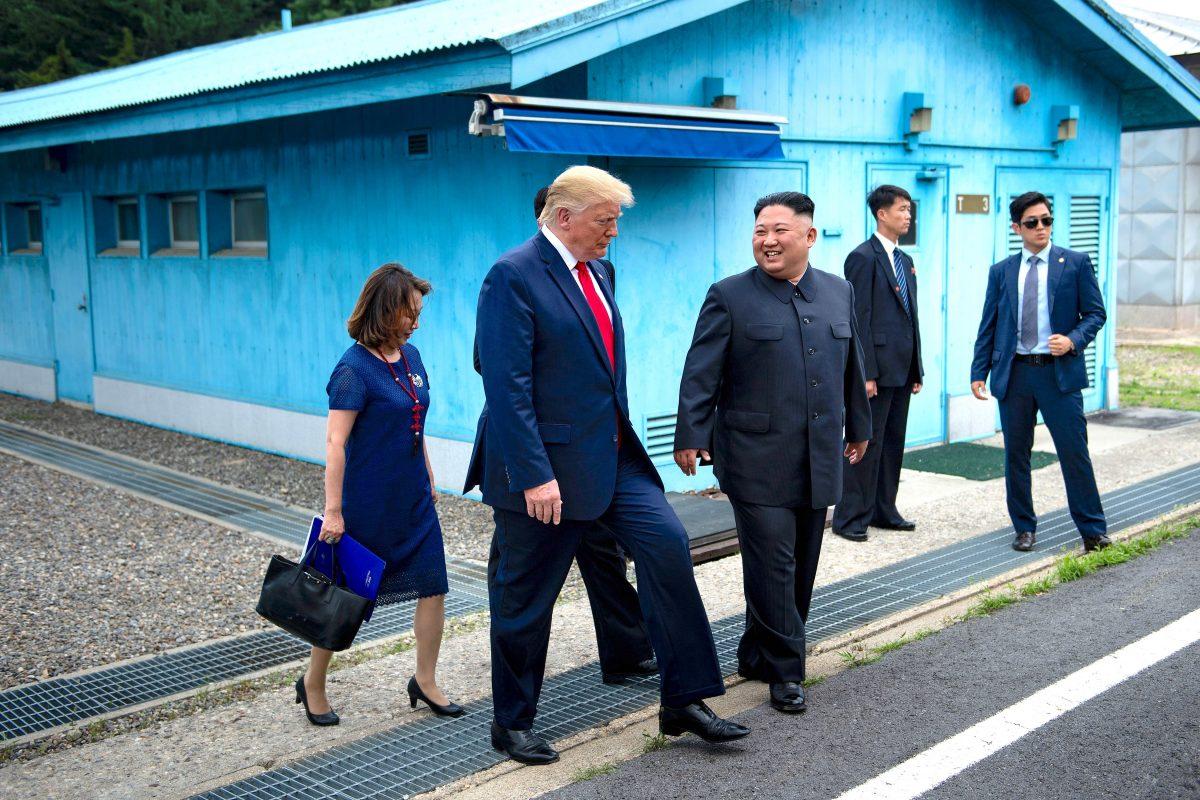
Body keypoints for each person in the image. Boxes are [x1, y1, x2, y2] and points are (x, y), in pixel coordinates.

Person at [465, 165, 748, 766]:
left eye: (617, 221)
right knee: (526, 598)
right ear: (563, 217)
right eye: (605, 220)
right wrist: (535, 474)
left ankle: (685, 699)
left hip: (612, 457)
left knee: (668, 546)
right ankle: (512, 722)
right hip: (544, 470)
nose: (613, 232)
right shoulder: (512, 276)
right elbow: (506, 388)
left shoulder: (601, 270)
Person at [674, 191, 871, 714]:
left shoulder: (838, 291)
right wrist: (691, 434)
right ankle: (787, 670)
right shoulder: (729, 295)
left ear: (808, 236)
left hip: (819, 454)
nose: (767, 240)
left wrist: (860, 426)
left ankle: (758, 652)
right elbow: (701, 372)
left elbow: (854, 364)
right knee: (773, 564)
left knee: (802, 561)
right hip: (753, 456)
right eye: (760, 230)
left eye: (779, 230)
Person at [298, 264, 463, 727]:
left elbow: (415, 418)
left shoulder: (412, 357)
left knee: (434, 587)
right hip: (368, 503)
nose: (416, 321)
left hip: (412, 499)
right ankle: (313, 682)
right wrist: (334, 512)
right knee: (345, 600)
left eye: (418, 312)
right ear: (386, 310)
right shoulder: (352, 370)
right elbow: (334, 443)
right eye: (410, 312)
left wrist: (428, 468)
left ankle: (425, 680)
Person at [970, 192, 1110, 553]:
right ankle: (1024, 527)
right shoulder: (1001, 271)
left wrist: (1074, 340)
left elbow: (1096, 313)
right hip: (1015, 374)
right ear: (1017, 227)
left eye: (1046, 220)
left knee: (1074, 452)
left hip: (1058, 373)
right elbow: (990, 323)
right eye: (1032, 222)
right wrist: (979, 370)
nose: (1041, 228)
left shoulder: (1076, 263)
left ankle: (1093, 531)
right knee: (1017, 454)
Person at [833, 185, 924, 542]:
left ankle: (884, 509)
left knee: (893, 443)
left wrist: (916, 368)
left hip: (902, 369)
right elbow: (858, 318)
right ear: (882, 213)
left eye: (909, 210)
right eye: (902, 209)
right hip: (875, 371)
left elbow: (911, 318)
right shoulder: (863, 257)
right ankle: (850, 518)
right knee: (864, 443)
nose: (907, 216)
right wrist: (865, 372)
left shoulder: (905, 261)